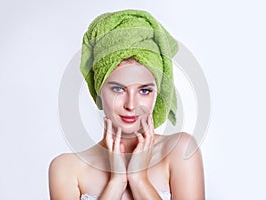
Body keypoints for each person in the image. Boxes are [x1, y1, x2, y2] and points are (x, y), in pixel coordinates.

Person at [49, 9, 205, 200]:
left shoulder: (181, 151)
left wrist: (139, 180)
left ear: (157, 92)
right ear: (99, 90)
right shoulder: (66, 169)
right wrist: (116, 183)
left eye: (144, 91)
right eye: (118, 89)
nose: (131, 105)